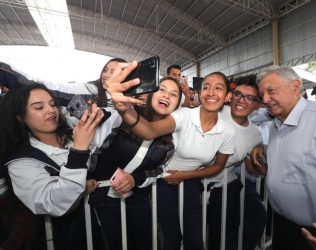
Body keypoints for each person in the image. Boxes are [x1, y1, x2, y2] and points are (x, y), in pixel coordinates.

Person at [107, 63, 235, 250]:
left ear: (227, 96)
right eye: (206, 87)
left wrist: (184, 176)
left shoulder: (228, 132)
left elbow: (217, 167)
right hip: (163, 179)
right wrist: (125, 109)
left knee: (195, 239)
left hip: (191, 182)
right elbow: (149, 131)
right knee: (171, 237)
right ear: (199, 93)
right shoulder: (184, 115)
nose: (211, 92)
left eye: (219, 88)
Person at [250, 66, 316, 250]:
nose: (266, 99)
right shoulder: (277, 123)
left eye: (271, 91)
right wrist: (264, 148)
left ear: (295, 86)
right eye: (262, 94)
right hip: (284, 228)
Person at [0, 83, 121, 249]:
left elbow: (111, 125)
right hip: (60, 239)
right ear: (19, 117)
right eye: (38, 107)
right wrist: (79, 151)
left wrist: (113, 106)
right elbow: (52, 202)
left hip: (94, 227)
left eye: (52, 104)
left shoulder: (73, 135)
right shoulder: (21, 161)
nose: (50, 110)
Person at [86, 77, 183, 250]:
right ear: (152, 94)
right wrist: (85, 178)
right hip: (102, 196)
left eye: (173, 94)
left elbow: (160, 170)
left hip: (138, 198)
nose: (166, 96)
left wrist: (135, 180)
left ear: (177, 105)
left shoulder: (174, 137)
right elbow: (95, 148)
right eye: (162, 89)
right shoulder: (123, 116)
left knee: (147, 242)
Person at [207, 74, 266, 250]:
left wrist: (259, 153)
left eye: (250, 98)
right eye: (238, 94)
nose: (241, 100)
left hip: (225, 185)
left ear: (257, 105)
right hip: (192, 181)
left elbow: (255, 170)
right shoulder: (215, 110)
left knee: (253, 217)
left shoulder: (255, 133)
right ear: (231, 95)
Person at [45, 58, 127, 107]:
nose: (105, 75)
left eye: (113, 72)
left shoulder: (130, 103)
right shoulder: (91, 90)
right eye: (105, 70)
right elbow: (60, 89)